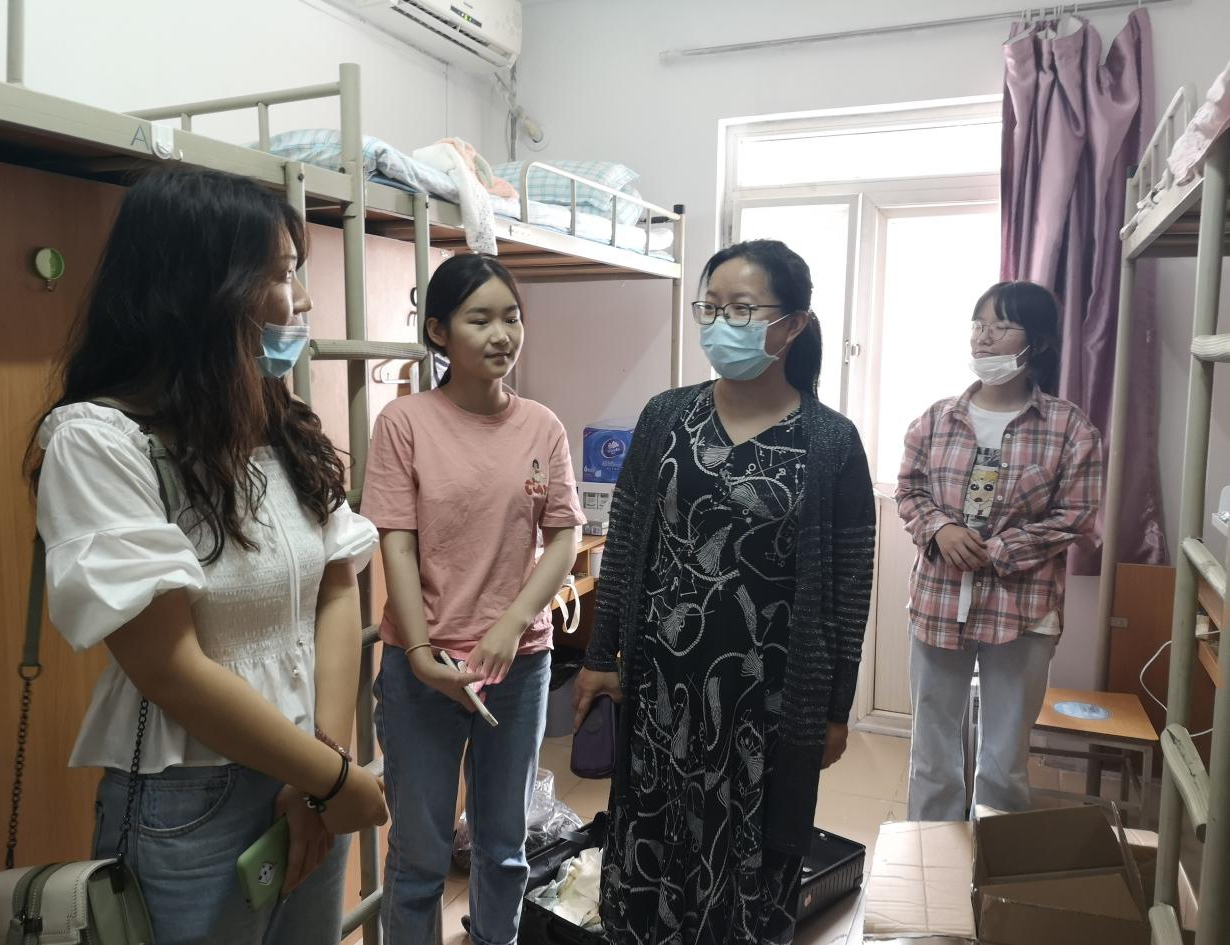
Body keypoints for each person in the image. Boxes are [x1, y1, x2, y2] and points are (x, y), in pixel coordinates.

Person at [27, 165, 388, 945]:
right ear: (203, 289)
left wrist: (321, 765)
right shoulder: (98, 441)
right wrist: (331, 778)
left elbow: (336, 583)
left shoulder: (276, 421)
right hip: (193, 799)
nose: (301, 300)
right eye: (282, 275)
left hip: (309, 767)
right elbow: (170, 666)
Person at [572, 239, 876, 945]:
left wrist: (835, 708)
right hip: (661, 688)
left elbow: (849, 587)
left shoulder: (831, 441)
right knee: (650, 843)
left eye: (741, 309)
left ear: (792, 324)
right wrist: (599, 655)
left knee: (752, 862)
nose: (720, 324)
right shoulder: (666, 416)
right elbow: (626, 544)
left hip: (768, 702)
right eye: (709, 308)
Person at [360, 253, 586, 945]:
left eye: (512, 317)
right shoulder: (404, 422)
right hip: (423, 669)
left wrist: (513, 625)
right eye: (479, 319)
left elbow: (564, 537)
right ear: (438, 331)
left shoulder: (542, 425)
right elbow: (396, 544)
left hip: (519, 666)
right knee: (419, 858)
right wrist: (421, 652)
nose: (501, 335)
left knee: (504, 846)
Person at [896, 281, 1102, 821]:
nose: (983, 338)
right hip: (940, 602)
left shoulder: (1070, 428)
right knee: (932, 756)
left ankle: (993, 867)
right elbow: (910, 490)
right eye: (978, 324)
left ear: (1038, 342)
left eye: (1001, 326)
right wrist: (939, 529)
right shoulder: (936, 418)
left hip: (1023, 610)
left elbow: (1076, 515)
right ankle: (931, 862)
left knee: (1004, 761)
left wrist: (1001, 548)